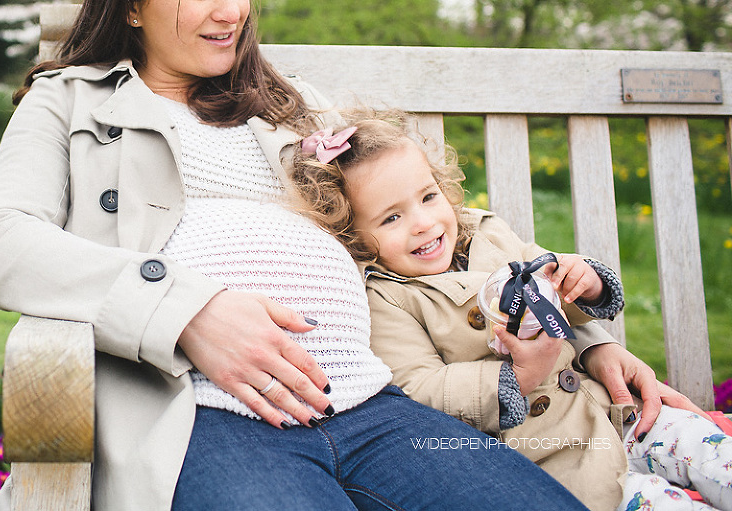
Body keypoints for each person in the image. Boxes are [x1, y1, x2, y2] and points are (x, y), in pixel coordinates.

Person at [0, 1, 601, 510]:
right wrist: (188, 311)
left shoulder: (295, 105)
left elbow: (434, 225)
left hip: (370, 402)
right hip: (203, 414)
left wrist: (589, 341)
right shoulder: (69, 100)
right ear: (131, 8)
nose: (230, 12)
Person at [289, 109, 732, 511]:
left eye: (428, 197)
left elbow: (554, 287)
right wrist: (515, 378)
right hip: (553, 453)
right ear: (353, 236)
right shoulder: (386, 298)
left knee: (712, 454)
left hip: (616, 411)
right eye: (391, 218)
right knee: (659, 503)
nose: (423, 223)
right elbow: (418, 389)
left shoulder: (488, 233)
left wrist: (585, 282)